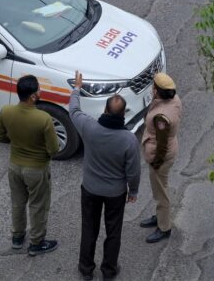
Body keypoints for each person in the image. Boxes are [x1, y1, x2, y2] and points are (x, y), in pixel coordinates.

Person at [69, 71, 140, 280]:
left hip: (90, 189)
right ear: (123, 115)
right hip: (115, 193)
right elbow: (133, 171)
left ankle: (86, 268)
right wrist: (133, 190)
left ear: (105, 110)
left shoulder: (89, 127)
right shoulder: (128, 140)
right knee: (113, 231)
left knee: (89, 228)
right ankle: (109, 271)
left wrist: (77, 88)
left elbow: (73, 110)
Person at [0, 75, 59, 256]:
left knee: (17, 203)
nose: (40, 91)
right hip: (36, 169)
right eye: (38, 89)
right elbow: (54, 150)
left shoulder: (6, 111)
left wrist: (16, 142)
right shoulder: (43, 119)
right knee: (38, 205)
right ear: (32, 97)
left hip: (15, 166)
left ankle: (17, 237)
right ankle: (36, 243)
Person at [139, 72, 182, 243]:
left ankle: (164, 227)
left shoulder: (161, 117)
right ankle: (159, 216)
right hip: (170, 148)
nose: (152, 88)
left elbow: (162, 144)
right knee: (160, 189)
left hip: (161, 157)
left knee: (161, 192)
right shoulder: (174, 100)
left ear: (157, 91)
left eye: (153, 87)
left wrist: (156, 162)